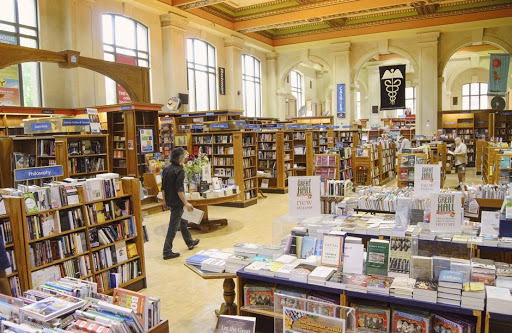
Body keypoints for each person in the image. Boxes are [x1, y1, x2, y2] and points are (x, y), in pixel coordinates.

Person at [161, 147, 199, 260]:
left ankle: (189, 242)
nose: (186, 158)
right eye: (184, 156)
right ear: (180, 158)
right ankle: (167, 251)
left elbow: (163, 188)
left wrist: (164, 201)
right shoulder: (180, 171)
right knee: (173, 226)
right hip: (177, 202)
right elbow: (179, 190)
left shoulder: (167, 169)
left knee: (183, 221)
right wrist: (186, 203)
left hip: (169, 200)